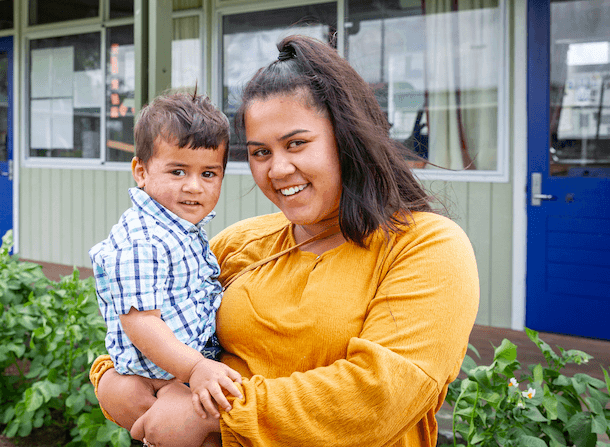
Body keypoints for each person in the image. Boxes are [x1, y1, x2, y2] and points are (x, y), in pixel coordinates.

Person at [90, 34, 480, 447]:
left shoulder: (427, 247)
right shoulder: (237, 242)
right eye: (260, 153)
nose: (277, 169)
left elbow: (378, 398)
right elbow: (150, 321)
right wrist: (109, 379)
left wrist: (213, 416)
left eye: (296, 143)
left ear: (346, 139)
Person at [88, 91, 243, 444]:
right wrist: (194, 369)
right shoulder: (144, 239)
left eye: (208, 173)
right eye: (177, 171)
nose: (193, 186)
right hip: (162, 375)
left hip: (177, 370)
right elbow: (141, 321)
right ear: (141, 171)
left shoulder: (177, 228)